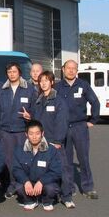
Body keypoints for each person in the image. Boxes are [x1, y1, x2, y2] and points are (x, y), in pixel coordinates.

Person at [55, 59, 100, 201]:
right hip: (63, 127)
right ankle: (69, 187)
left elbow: (95, 102)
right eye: (68, 68)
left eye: (74, 68)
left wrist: (92, 120)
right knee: (66, 160)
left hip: (80, 127)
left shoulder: (83, 85)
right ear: (63, 69)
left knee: (83, 158)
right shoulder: (57, 86)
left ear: (77, 71)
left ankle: (88, 187)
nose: (71, 70)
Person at [0, 62, 38, 198]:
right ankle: (12, 185)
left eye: (14, 71)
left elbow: (36, 110)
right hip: (6, 131)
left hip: (22, 131)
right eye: (9, 72)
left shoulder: (30, 89)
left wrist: (30, 116)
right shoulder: (2, 90)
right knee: (8, 160)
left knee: (24, 159)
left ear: (19, 72)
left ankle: (25, 184)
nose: (12, 74)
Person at [30, 70, 71, 206]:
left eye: (46, 80)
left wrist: (58, 141)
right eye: (41, 81)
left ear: (52, 82)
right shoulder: (38, 100)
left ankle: (66, 197)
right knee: (41, 168)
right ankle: (40, 195)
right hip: (40, 141)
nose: (43, 83)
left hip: (54, 141)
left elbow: (62, 122)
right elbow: (36, 120)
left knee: (62, 169)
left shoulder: (59, 101)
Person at [12, 120, 61, 211]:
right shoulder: (19, 149)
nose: (34, 137)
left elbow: (56, 171)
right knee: (19, 187)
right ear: (26, 134)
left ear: (42, 133)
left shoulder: (51, 150)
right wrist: (26, 181)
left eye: (37, 133)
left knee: (51, 189)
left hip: (45, 183)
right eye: (31, 134)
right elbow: (16, 169)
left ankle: (46, 201)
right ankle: (30, 201)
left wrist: (42, 181)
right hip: (29, 182)